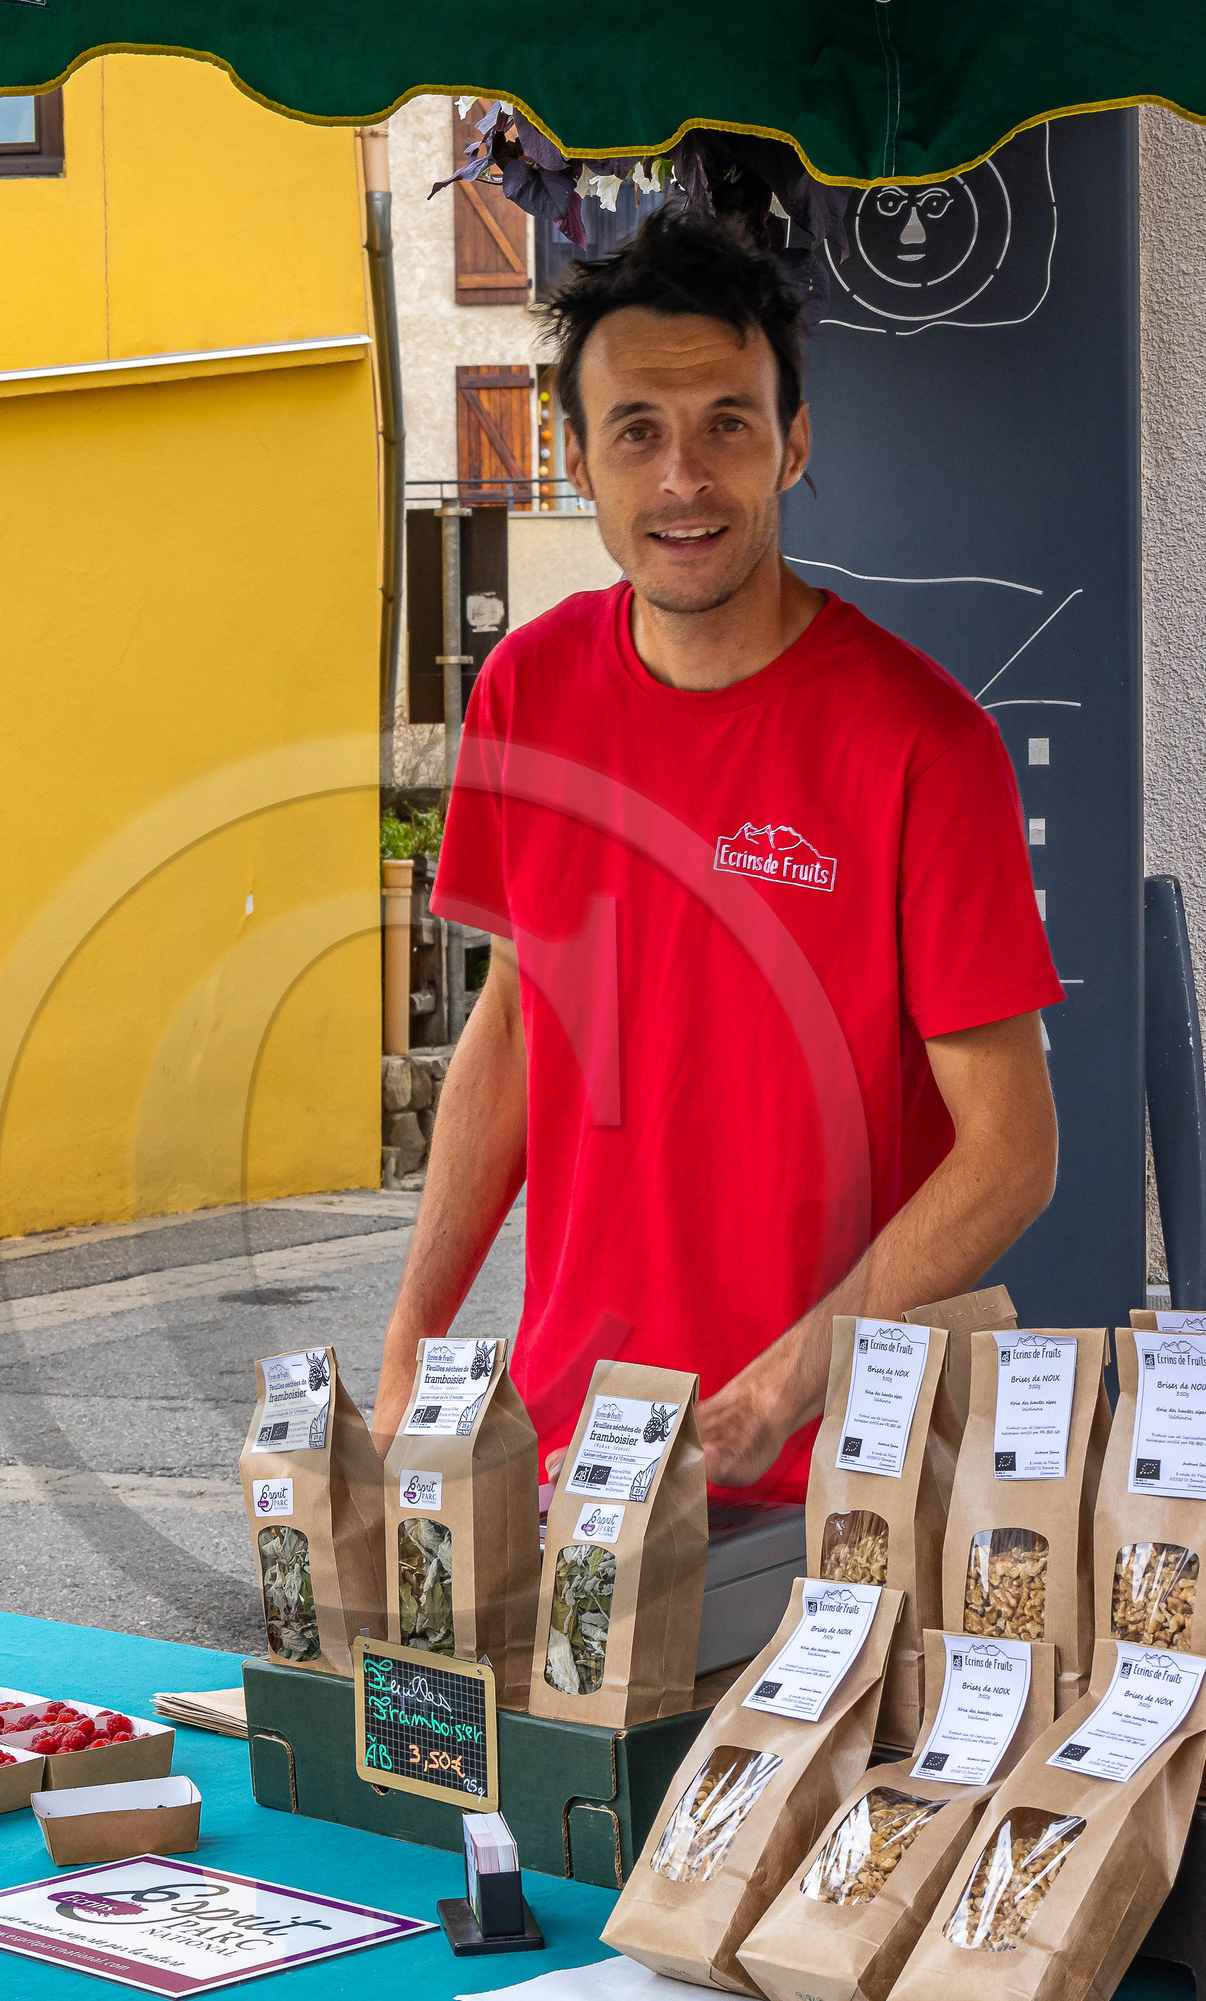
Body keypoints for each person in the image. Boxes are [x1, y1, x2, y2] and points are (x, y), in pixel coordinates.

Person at [372, 211, 1062, 1501]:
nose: (683, 477)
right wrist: (415, 1338)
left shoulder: (924, 744)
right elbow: (518, 1029)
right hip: (579, 1453)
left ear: (793, 443)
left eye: (728, 424)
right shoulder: (526, 690)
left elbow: (1011, 1149)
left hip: (836, 1483)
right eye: (637, 430)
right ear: (578, 458)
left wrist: (772, 1394)